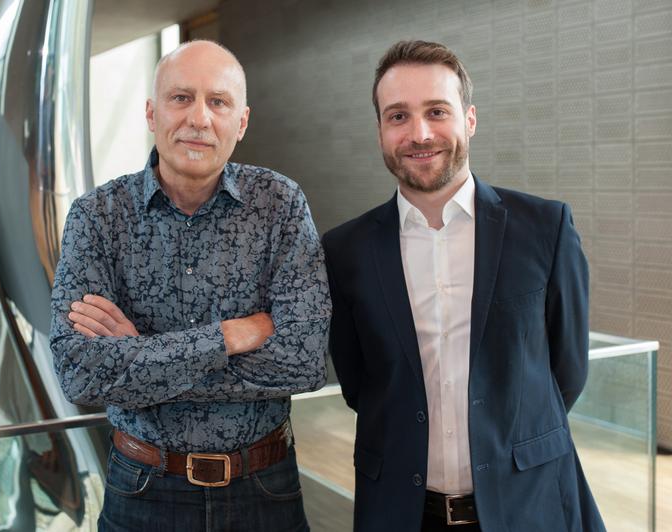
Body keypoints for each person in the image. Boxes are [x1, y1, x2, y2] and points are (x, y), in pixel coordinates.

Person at [321, 40, 605, 532]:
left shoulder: (545, 228)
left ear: (469, 119)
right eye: (398, 116)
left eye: (437, 111)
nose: (420, 133)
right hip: (399, 513)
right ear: (381, 130)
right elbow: (359, 383)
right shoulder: (345, 250)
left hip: (528, 505)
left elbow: (568, 370)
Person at [50, 40, 330, 531]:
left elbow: (305, 362)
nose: (199, 118)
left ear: (240, 122)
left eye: (218, 102)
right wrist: (229, 336)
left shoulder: (280, 204)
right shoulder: (97, 217)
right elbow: (79, 373)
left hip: (265, 489)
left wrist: (143, 358)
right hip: (141, 488)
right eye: (181, 98)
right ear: (151, 113)